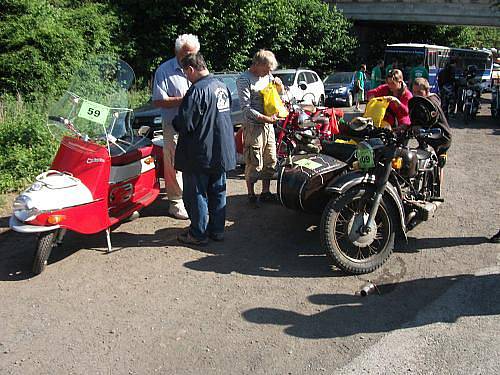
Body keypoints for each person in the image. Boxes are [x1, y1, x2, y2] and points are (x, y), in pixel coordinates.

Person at [172, 52, 236, 245]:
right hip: (221, 150)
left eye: (186, 73)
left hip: (200, 153)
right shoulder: (221, 86)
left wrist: (175, 121)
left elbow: (184, 123)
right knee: (218, 191)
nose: (186, 77)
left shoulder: (197, 90)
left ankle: (198, 234)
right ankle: (217, 230)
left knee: (196, 194)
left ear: (191, 69)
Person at [152, 33, 200, 220]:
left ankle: (192, 195)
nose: (192, 58)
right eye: (188, 54)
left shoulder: (197, 66)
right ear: (178, 52)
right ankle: (176, 202)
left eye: (194, 53)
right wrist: (185, 100)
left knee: (195, 160)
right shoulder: (164, 70)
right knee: (174, 162)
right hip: (174, 125)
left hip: (195, 124)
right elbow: (158, 100)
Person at [236, 49, 284, 208]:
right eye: (267, 68)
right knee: (253, 160)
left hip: (269, 125)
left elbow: (277, 97)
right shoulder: (244, 79)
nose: (270, 72)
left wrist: (280, 88)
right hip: (253, 127)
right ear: (257, 64)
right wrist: (264, 118)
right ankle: (251, 195)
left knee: (270, 159)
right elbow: (246, 108)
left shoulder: (268, 76)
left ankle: (265, 192)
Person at [410, 77, 452, 180]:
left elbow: (430, 117)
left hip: (441, 136)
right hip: (426, 134)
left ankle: (437, 192)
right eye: (414, 92)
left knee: (438, 164)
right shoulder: (419, 102)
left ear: (427, 91)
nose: (416, 95)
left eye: (419, 92)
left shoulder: (431, 102)